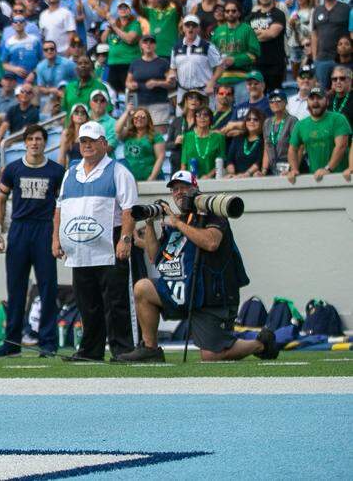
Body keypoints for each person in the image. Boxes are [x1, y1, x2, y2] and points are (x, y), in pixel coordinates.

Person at [116, 171, 278, 362]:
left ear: (195, 189)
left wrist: (177, 223)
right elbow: (155, 257)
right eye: (175, 189)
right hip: (182, 290)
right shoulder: (178, 221)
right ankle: (150, 349)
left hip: (211, 296)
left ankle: (260, 344)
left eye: (183, 187)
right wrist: (150, 223)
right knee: (142, 287)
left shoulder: (213, 214)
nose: (178, 193)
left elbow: (211, 243)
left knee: (210, 356)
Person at [52, 121, 137, 362]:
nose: (87, 146)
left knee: (116, 301)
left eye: (92, 141)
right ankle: (90, 351)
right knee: (86, 302)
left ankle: (122, 350)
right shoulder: (71, 172)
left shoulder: (119, 172)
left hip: (110, 243)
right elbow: (59, 208)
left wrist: (126, 240)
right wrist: (56, 238)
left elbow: (130, 210)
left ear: (104, 144)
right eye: (83, 142)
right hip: (79, 248)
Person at [0, 125, 65, 358]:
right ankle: (12, 342)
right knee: (16, 289)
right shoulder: (13, 169)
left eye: (39, 139)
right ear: (24, 143)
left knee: (47, 288)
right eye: (30, 139)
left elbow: (61, 207)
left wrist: (57, 236)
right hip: (19, 229)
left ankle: (48, 342)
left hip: (44, 230)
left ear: (45, 142)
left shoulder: (56, 171)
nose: (35, 143)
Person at [287, 87, 352, 183]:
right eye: (312, 99)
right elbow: (292, 149)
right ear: (307, 102)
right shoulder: (301, 125)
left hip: (341, 177)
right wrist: (294, 169)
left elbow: (341, 146)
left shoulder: (338, 119)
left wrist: (327, 169)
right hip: (315, 178)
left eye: (319, 98)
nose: (315, 102)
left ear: (327, 101)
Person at [116, 107, 165, 182]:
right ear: (133, 120)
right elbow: (117, 129)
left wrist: (152, 177)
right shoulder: (128, 134)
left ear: (148, 120)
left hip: (151, 178)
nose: (139, 119)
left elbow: (160, 157)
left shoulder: (156, 136)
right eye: (136, 117)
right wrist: (127, 112)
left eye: (143, 117)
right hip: (131, 179)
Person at [180, 106, 227, 179]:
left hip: (212, 180)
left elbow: (221, 162)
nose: (202, 118)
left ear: (210, 118)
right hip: (191, 181)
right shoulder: (187, 137)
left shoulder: (219, 137)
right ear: (195, 118)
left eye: (205, 115)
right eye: (198, 115)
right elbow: (184, 163)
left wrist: (208, 176)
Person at [262, 90, 297, 177]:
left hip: (289, 167)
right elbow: (266, 148)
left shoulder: (292, 120)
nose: (275, 103)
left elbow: (298, 147)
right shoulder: (267, 122)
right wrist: (263, 171)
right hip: (272, 168)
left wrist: (293, 169)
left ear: (285, 102)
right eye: (272, 101)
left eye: (278, 100)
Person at [225, 109, 265, 178]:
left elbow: (259, 162)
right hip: (236, 178)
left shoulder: (264, 140)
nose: (251, 121)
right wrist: (232, 173)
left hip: (255, 178)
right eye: (248, 119)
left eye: (255, 119)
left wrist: (246, 174)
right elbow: (230, 160)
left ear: (261, 122)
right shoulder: (237, 138)